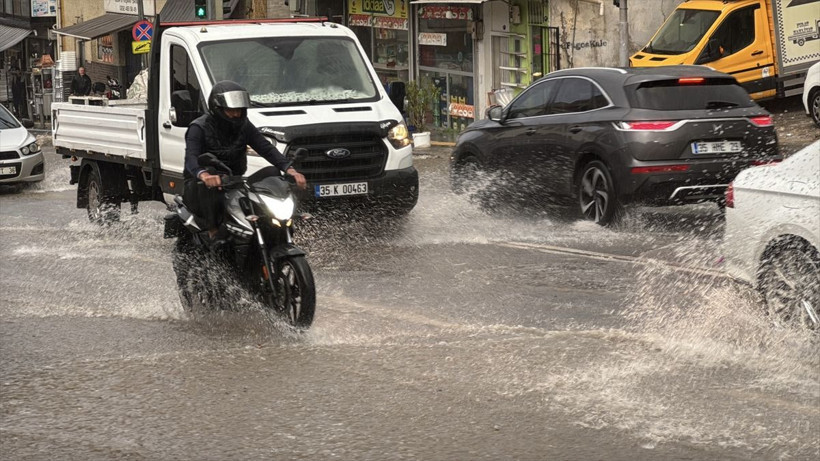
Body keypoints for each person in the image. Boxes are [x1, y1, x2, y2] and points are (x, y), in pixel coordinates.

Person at [184, 80, 307, 242]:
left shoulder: (244, 125)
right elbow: (191, 159)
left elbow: (266, 148)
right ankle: (213, 232)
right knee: (211, 183)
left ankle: (279, 228)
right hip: (201, 186)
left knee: (273, 174)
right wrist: (204, 175)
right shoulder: (198, 128)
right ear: (217, 108)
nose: (236, 114)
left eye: (240, 110)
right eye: (231, 110)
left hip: (235, 180)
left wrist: (289, 169)